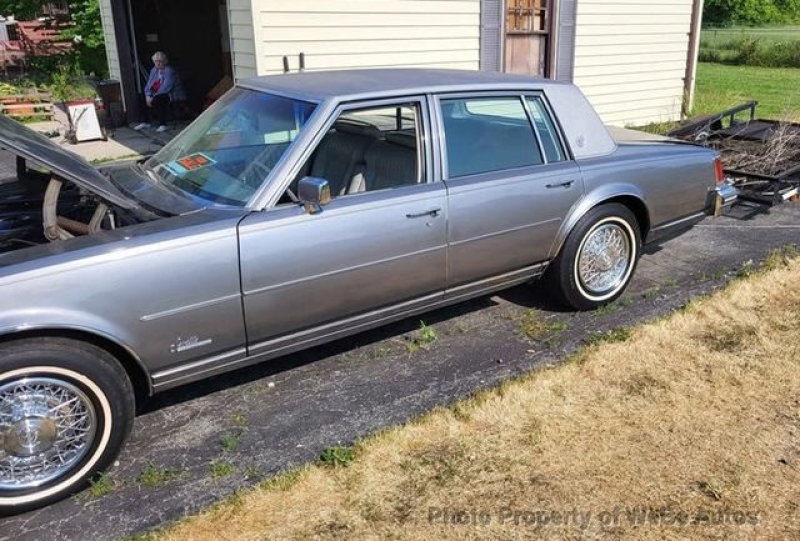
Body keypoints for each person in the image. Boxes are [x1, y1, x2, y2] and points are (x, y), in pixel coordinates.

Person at [134, 51, 178, 133]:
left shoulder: (169, 71)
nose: (158, 63)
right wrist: (148, 95)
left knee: (159, 98)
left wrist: (153, 96)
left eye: (160, 61)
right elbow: (148, 85)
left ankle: (163, 124)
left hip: (168, 94)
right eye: (156, 61)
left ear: (164, 62)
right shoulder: (154, 70)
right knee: (140, 97)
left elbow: (166, 87)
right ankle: (145, 122)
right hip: (154, 93)